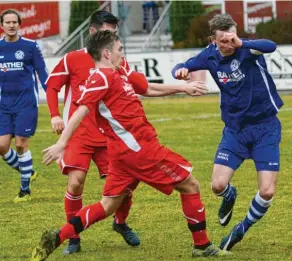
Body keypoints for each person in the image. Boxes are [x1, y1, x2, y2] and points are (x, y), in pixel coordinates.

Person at [30, 30, 230, 261]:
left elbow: (147, 88)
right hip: (140, 151)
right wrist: (62, 142)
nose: (122, 54)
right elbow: (82, 108)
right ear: (106, 53)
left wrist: (183, 88)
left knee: (107, 206)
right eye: (119, 50)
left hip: (122, 155)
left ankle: (58, 236)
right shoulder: (101, 77)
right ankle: (202, 245)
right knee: (190, 185)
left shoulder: (117, 72)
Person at [171, 14, 283, 251]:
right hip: (235, 130)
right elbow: (182, 66)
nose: (229, 44)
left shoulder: (247, 50)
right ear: (212, 40)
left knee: (267, 190)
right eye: (223, 41)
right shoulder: (209, 55)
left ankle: (242, 228)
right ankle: (230, 195)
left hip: (265, 127)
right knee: (217, 186)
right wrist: (180, 72)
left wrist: (243, 43)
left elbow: (270, 46)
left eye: (232, 38)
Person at [46, 10, 142, 255]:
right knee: (76, 182)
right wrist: (55, 115)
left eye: (115, 35)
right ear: (92, 32)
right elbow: (52, 86)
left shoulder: (118, 61)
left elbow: (132, 91)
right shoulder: (72, 59)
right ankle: (73, 237)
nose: (114, 40)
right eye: (108, 34)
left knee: (126, 184)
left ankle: (120, 223)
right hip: (79, 134)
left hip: (109, 135)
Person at [0, 9, 48, 203]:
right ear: (2, 25)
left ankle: (25, 189)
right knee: (2, 147)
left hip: (26, 103)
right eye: (7, 22)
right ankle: (28, 171)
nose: (11, 25)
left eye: (14, 22)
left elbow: (42, 72)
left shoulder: (30, 46)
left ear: (20, 25)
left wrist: (51, 93)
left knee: (20, 144)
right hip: (3, 105)